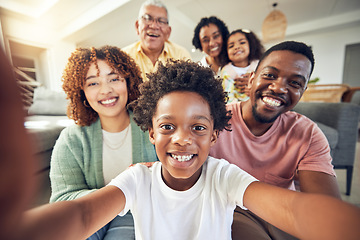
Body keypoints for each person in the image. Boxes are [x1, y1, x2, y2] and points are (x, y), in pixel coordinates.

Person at [16, 60, 360, 240]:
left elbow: (295, 212)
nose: (182, 139)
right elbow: (83, 215)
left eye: (198, 127)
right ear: (151, 133)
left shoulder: (223, 176)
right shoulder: (138, 178)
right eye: (168, 126)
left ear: (215, 136)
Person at [209, 41, 342, 239]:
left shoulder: (308, 134)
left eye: (295, 83)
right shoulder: (214, 120)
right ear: (252, 79)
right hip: (228, 211)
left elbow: (326, 211)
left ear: (302, 92)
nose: (279, 88)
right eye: (270, 75)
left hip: (280, 214)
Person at [49, 46, 157, 239]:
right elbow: (62, 201)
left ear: (128, 82)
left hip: (138, 211)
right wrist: (120, 190)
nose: (106, 90)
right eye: (93, 84)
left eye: (114, 79)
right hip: (90, 213)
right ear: (81, 91)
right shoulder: (71, 139)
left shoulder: (153, 127)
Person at [122, 0, 191, 81]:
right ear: (137, 26)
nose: (154, 26)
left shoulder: (181, 55)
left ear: (168, 32)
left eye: (161, 21)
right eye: (147, 18)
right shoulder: (124, 57)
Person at [221, 29, 264, 103]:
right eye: (231, 46)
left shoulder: (259, 65)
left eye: (242, 42)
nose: (237, 47)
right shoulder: (227, 71)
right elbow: (228, 96)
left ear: (251, 45)